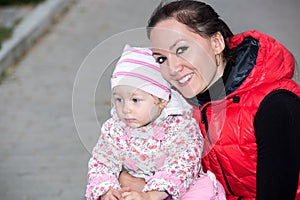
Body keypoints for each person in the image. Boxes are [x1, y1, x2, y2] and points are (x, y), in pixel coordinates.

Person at [119, 1, 300, 199]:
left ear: (216, 43)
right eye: (161, 59)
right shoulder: (178, 107)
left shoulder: (276, 106)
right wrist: (127, 180)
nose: (173, 68)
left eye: (181, 50)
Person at [85, 45, 226, 200]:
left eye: (135, 100)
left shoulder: (180, 127)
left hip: (173, 187)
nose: (126, 109)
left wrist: (150, 195)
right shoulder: (115, 129)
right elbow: (102, 161)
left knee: (205, 190)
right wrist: (107, 190)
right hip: (134, 186)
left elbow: (182, 167)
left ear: (161, 100)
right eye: (119, 99)